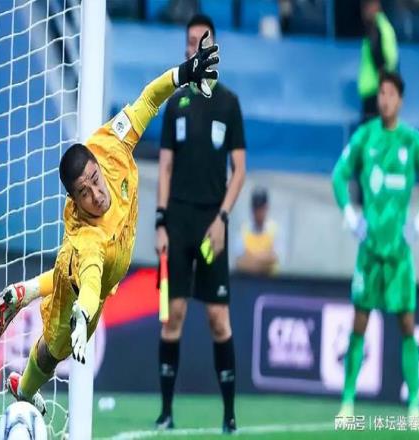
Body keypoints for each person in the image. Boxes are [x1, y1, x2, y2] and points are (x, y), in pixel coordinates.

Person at [0, 32, 220, 416]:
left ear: (97, 164)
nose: (97, 194)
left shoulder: (111, 145)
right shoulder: (87, 237)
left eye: (95, 180)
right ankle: (24, 390)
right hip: (86, 279)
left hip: (86, 268)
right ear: (74, 200)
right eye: (84, 193)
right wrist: (82, 316)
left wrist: (184, 74)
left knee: (66, 278)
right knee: (53, 350)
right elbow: (91, 278)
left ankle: (25, 293)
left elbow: (149, 99)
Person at [154, 14, 246, 434]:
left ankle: (229, 415)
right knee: (172, 314)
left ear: (213, 47)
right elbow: (165, 167)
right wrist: (160, 223)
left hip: (212, 224)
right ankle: (166, 412)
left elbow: (239, 170)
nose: (194, 47)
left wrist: (223, 218)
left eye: (201, 41)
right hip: (178, 223)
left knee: (218, 318)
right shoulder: (175, 103)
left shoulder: (229, 103)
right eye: (190, 41)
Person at [332, 71, 419, 418]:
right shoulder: (365, 137)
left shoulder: (411, 140)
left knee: (407, 325)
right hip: (370, 252)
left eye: (391, 93)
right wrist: (350, 215)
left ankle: (414, 405)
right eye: (381, 93)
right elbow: (338, 175)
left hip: (399, 253)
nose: (385, 99)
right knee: (359, 323)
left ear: (401, 100)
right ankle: (348, 402)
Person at [358, 0, 399, 122]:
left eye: (366, 7)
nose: (364, 11)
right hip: (375, 90)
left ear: (376, 5)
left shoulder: (377, 29)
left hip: (375, 91)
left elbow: (382, 61)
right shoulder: (382, 26)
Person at [235, 187, 280, 276]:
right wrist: (263, 260)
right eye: (256, 208)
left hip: (270, 282)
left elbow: (274, 258)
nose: (258, 212)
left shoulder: (274, 229)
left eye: (261, 208)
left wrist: (251, 258)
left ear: (266, 208)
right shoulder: (244, 230)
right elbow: (239, 262)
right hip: (248, 281)